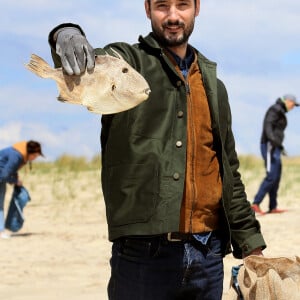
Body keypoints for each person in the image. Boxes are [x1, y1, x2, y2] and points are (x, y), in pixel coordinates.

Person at [48, 1, 266, 299]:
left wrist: (252, 246)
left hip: (209, 256)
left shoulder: (214, 86)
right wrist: (65, 33)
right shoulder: (125, 64)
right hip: (142, 256)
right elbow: (88, 64)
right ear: (148, 9)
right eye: (163, 5)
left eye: (183, 5)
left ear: (197, 8)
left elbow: (228, 172)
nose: (173, 16)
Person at [252, 95, 299, 215]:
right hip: (269, 145)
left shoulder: (280, 111)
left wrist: (280, 146)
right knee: (272, 175)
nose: (293, 107)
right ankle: (255, 203)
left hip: (275, 146)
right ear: (288, 101)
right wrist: (273, 142)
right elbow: (268, 126)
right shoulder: (276, 109)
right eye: (293, 105)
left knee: (276, 176)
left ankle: (273, 206)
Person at [0, 140, 43, 239]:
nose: (35, 158)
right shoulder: (16, 156)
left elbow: (10, 169)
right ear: (30, 152)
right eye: (35, 156)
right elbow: (4, 175)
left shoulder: (18, 153)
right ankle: (0, 232)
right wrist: (15, 181)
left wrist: (15, 178)